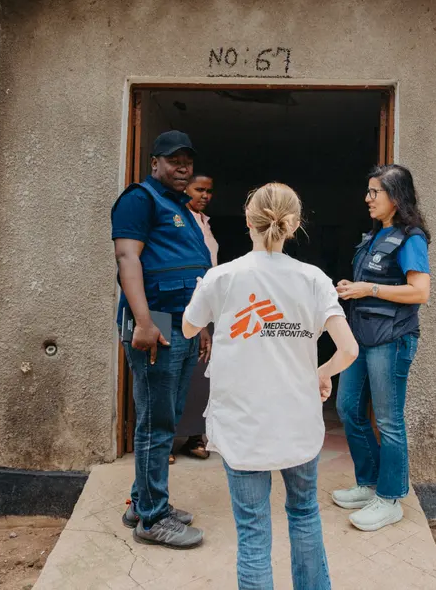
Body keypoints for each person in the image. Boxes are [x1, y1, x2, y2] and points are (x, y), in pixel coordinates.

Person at [182, 182, 359, 590]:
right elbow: (348, 349)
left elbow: (190, 327)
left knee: (253, 528)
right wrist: (323, 373)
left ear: (248, 221)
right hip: (298, 421)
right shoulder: (313, 279)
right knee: (304, 513)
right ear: (294, 225)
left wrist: (203, 298)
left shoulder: (220, 277)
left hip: (242, 424)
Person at [111, 130, 213, 549]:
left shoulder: (179, 205)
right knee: (157, 422)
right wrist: (143, 322)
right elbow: (127, 257)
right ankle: (152, 519)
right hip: (155, 321)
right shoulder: (139, 199)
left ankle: (142, 502)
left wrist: (201, 323)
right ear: (154, 163)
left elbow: (191, 270)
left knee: (165, 416)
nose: (183, 167)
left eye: (187, 160)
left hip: (182, 322)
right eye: (174, 160)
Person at [332, 164, 431, 532]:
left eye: (375, 192)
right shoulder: (375, 236)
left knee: (389, 421)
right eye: (369, 191)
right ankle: (369, 483)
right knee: (348, 409)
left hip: (391, 339)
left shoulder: (411, 238)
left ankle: (390, 499)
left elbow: (420, 292)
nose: (368, 198)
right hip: (361, 336)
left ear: (396, 196)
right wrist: (353, 287)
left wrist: (368, 290)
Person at [173, 173, 218, 462]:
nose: (205, 195)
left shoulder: (205, 222)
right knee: (172, 375)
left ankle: (194, 438)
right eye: (199, 189)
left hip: (206, 305)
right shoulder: (177, 220)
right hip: (179, 306)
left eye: (209, 191)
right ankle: (164, 443)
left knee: (201, 376)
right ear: (184, 188)